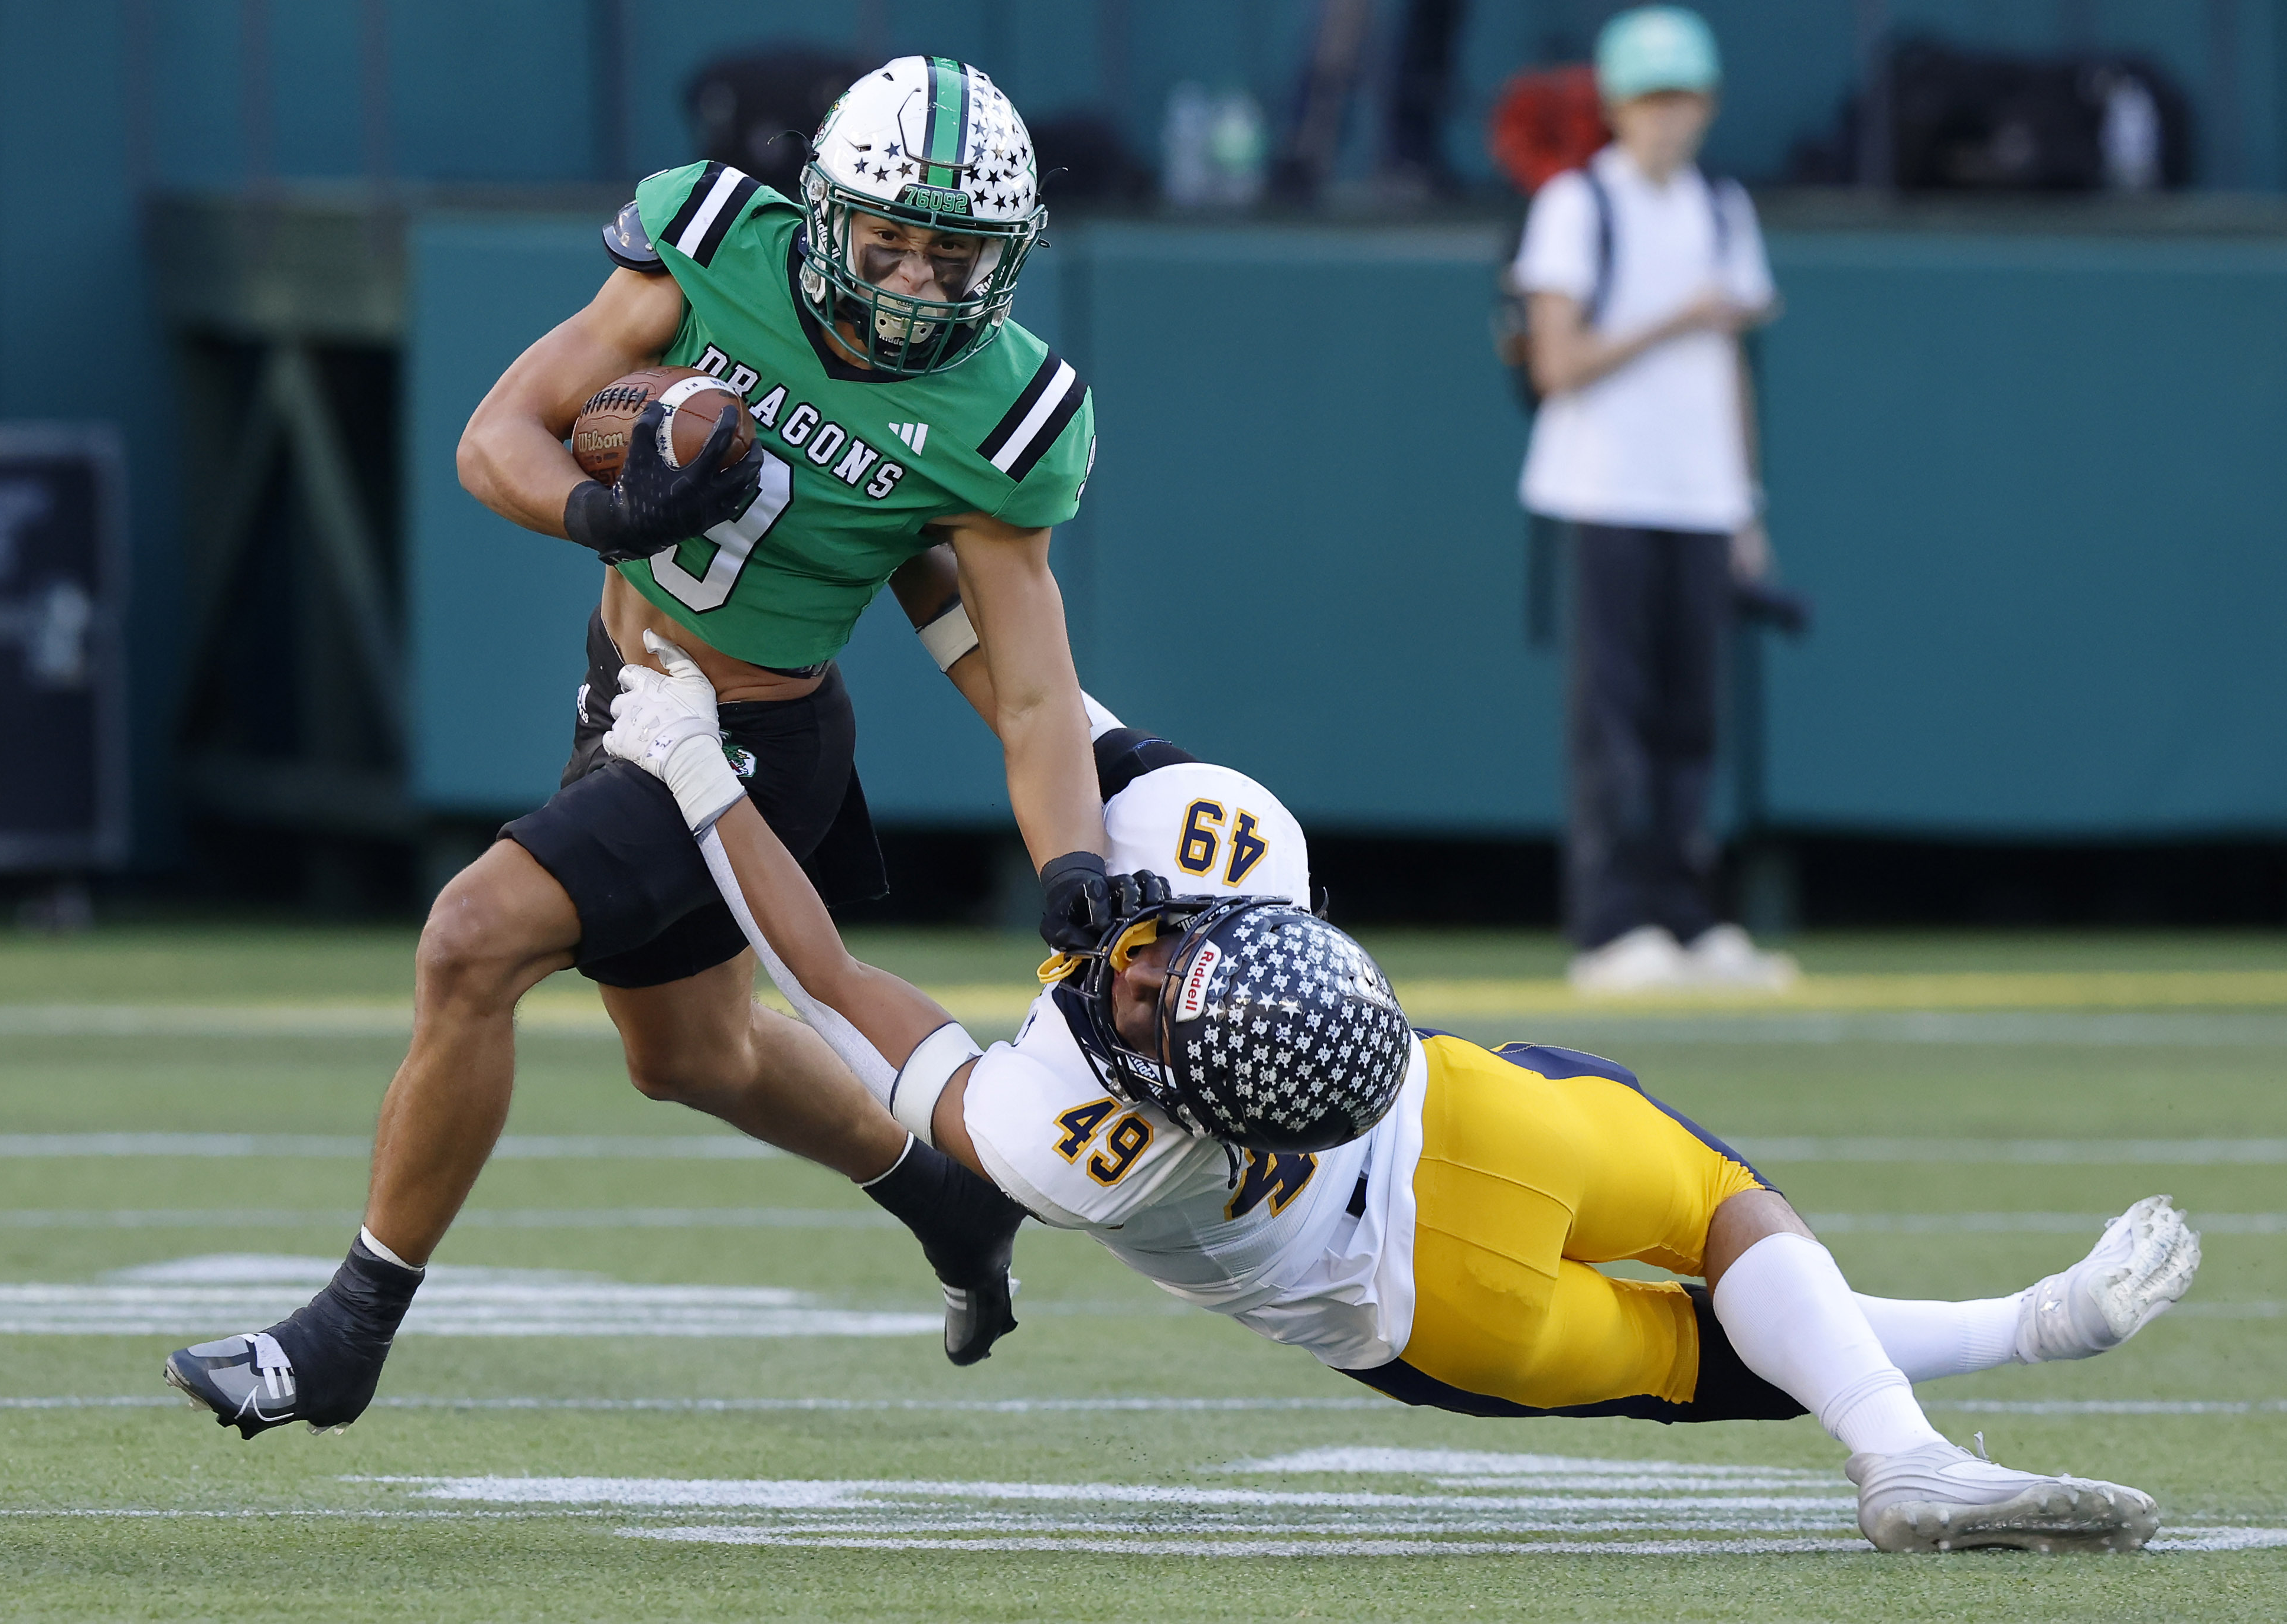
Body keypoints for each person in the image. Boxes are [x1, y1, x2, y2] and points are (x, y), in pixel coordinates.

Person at [591, 641, 2200, 1554]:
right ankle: (1974, 1378)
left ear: (1169, 1079)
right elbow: (1039, 692)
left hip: (1417, 1307)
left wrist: (696, 766)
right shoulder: (1242, 855)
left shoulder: (1076, 1135)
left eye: (1147, 995)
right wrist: (943, 558)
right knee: (1728, 1224)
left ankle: (1943, 1414)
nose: (1126, 977)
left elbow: (837, 984)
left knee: (1699, 1335)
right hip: (1475, 1124)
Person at [165, 57, 1123, 1439]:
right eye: (890, 240)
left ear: (1009, 261)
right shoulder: (716, 243)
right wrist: (601, 518)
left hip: (748, 742)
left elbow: (1034, 691)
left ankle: (346, 1332)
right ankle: (952, 1199)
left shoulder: (1003, 415)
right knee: (694, 1055)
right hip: (625, 691)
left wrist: (1075, 859)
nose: (917, 282)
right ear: (821, 216)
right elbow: (498, 433)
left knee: (469, 936)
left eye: (953, 253)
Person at [1515, 7, 1790, 992]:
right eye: (1648, 100)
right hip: (1604, 491)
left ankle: (1686, 916)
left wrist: (1744, 503)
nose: (1667, 120)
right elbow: (1558, 362)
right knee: (1614, 718)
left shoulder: (1723, 210)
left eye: (1683, 99)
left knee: (1691, 721)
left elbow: (1730, 370)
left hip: (1702, 502)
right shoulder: (1576, 206)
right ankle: (1609, 927)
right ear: (1617, 110)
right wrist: (1677, 317)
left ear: (1706, 107)